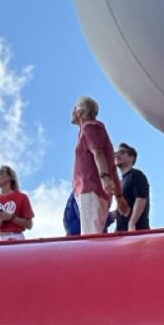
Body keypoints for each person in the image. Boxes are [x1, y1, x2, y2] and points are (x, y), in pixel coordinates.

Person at [71, 96, 119, 235]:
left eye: (75, 108)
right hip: (94, 190)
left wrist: (104, 178)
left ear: (79, 112)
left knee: (90, 234)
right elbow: (112, 166)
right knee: (93, 231)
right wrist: (119, 196)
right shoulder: (92, 129)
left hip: (90, 188)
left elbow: (98, 152)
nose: (72, 111)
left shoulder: (89, 127)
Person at [0, 165, 35, 242]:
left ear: (10, 177)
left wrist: (11, 218)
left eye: (1, 173)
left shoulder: (22, 197)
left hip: (15, 238)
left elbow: (29, 225)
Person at [113, 143, 150, 232]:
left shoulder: (137, 175)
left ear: (132, 157)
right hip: (122, 233)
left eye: (122, 152)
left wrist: (132, 223)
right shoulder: (120, 182)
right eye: (116, 153)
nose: (117, 155)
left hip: (138, 230)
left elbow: (141, 198)